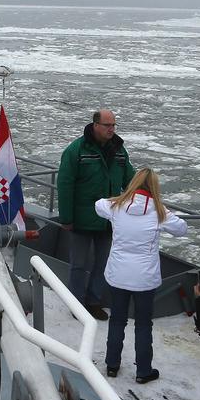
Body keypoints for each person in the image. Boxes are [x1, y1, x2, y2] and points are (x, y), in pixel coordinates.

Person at [96, 168, 187, 383]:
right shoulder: (159, 212)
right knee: (144, 324)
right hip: (144, 279)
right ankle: (143, 371)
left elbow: (98, 204)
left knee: (117, 320)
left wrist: (119, 198)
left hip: (118, 274)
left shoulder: (115, 206)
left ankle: (112, 365)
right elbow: (182, 229)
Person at [56, 108, 136, 321]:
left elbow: (130, 180)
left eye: (113, 125)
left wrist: (144, 199)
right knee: (79, 264)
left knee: (103, 264)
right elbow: (65, 184)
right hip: (82, 219)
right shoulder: (77, 150)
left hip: (109, 220)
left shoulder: (119, 150)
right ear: (95, 126)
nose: (111, 129)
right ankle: (77, 304)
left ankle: (93, 302)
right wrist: (67, 218)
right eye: (107, 125)